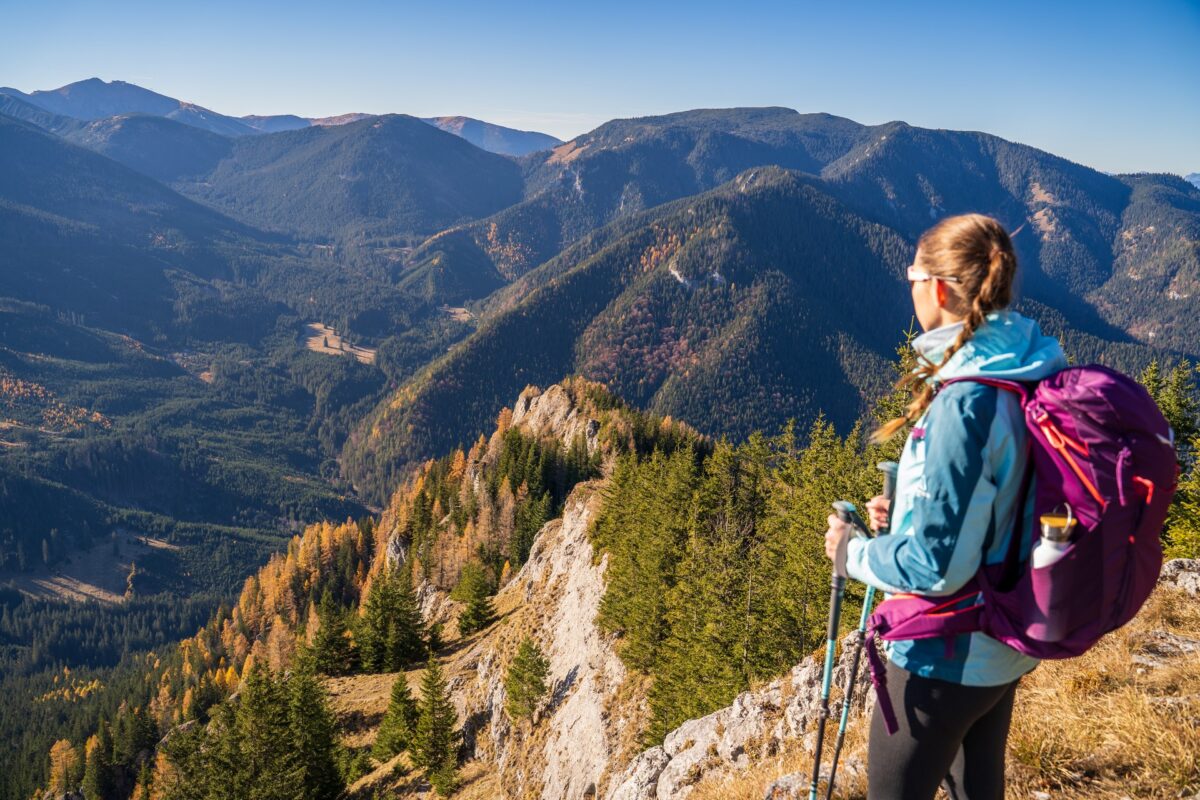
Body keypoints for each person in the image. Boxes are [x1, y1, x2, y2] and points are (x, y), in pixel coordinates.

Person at [823, 213, 1068, 800]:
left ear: (935, 287)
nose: (909, 288)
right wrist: (905, 514)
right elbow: (995, 498)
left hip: (943, 654)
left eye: (912, 274)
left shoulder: (966, 403)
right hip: (1001, 641)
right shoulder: (1027, 370)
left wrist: (852, 554)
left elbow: (936, 566)